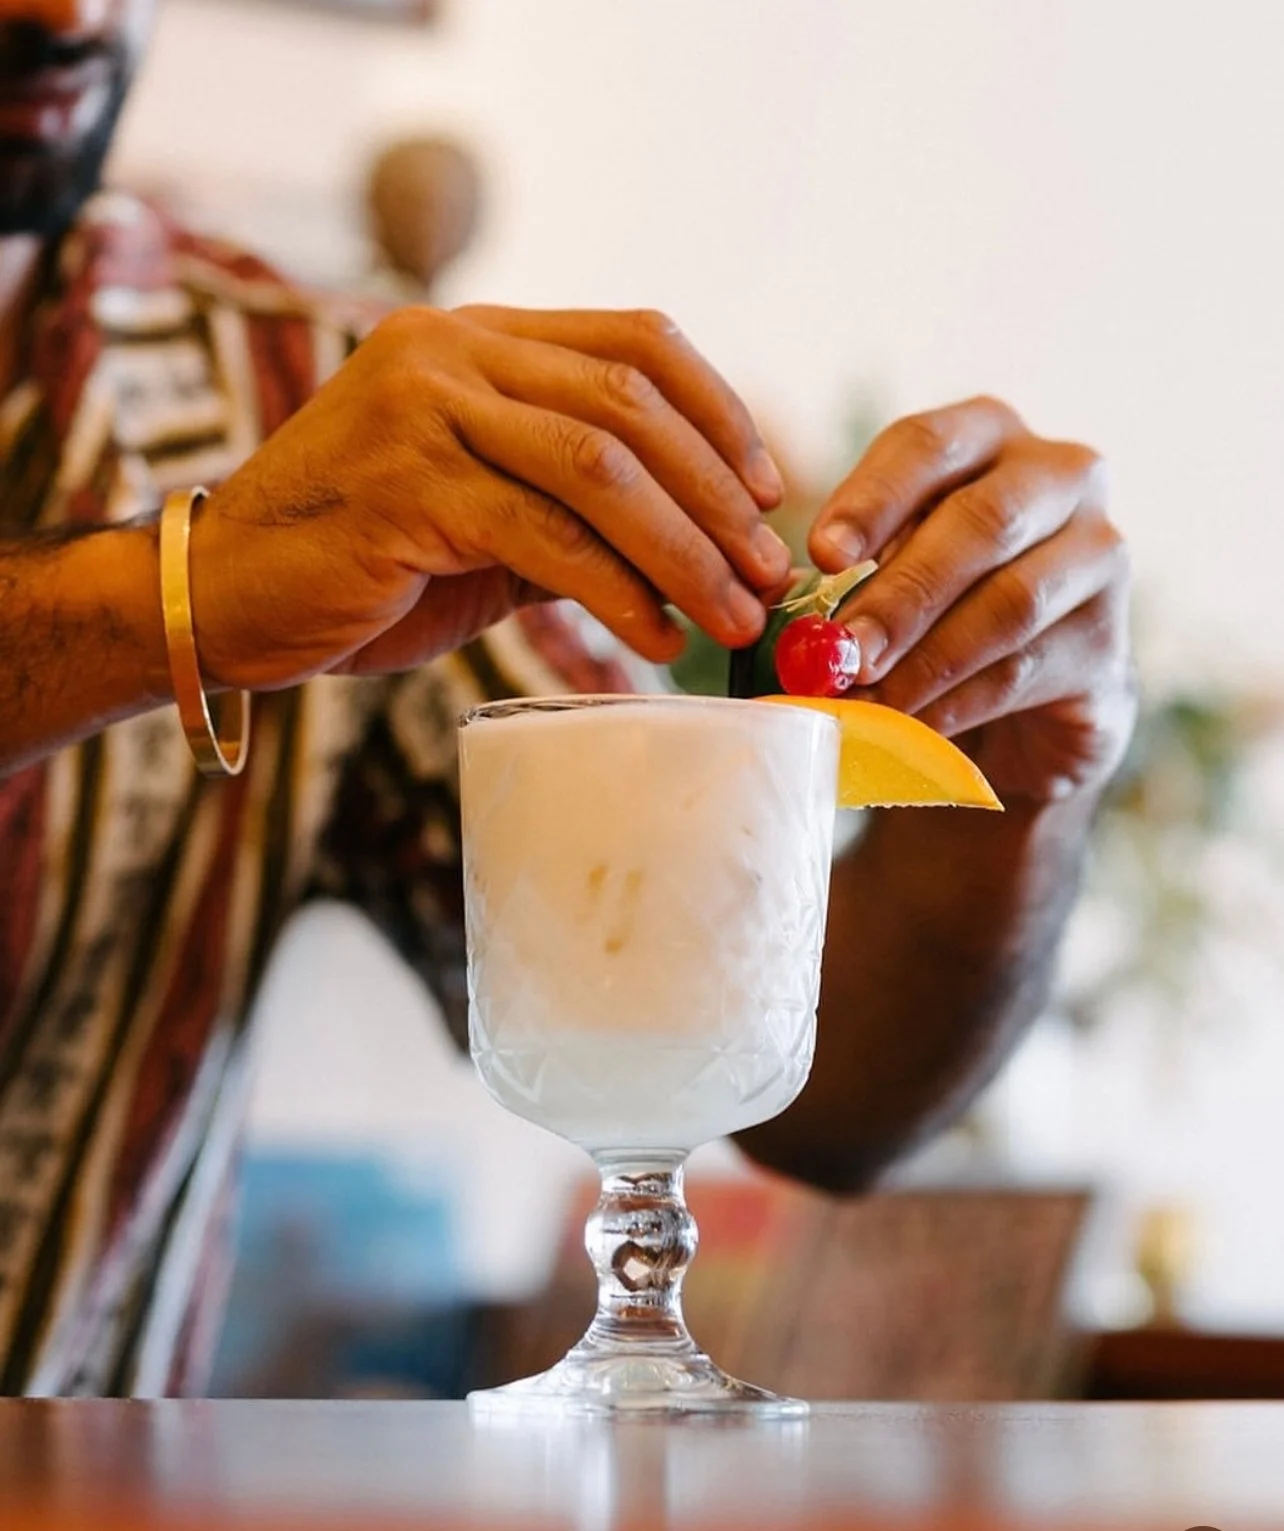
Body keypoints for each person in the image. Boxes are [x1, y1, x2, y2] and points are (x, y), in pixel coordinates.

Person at [0, 0, 1135, 1396]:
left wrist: (1013, 787)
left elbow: (818, 1091)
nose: (66, 12)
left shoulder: (300, 404)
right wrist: (185, 590)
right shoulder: (283, 478)